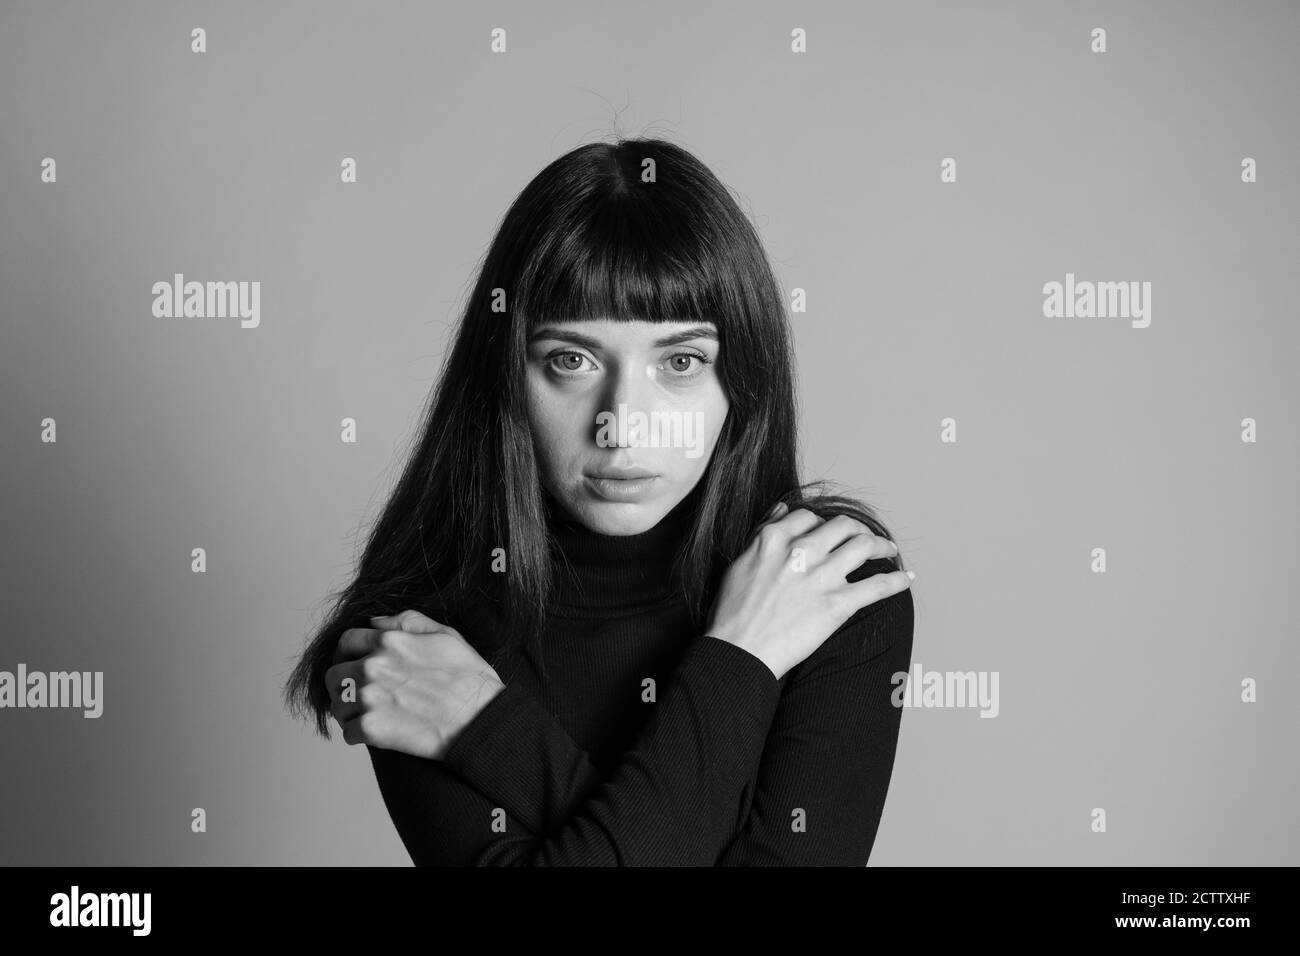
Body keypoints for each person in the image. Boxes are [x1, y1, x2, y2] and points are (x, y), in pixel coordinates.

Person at [282, 137, 916, 866]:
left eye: (681, 362)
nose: (621, 425)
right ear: (506, 375)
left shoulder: (826, 581)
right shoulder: (414, 640)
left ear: (743, 381)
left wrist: (482, 725)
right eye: (571, 360)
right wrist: (743, 660)